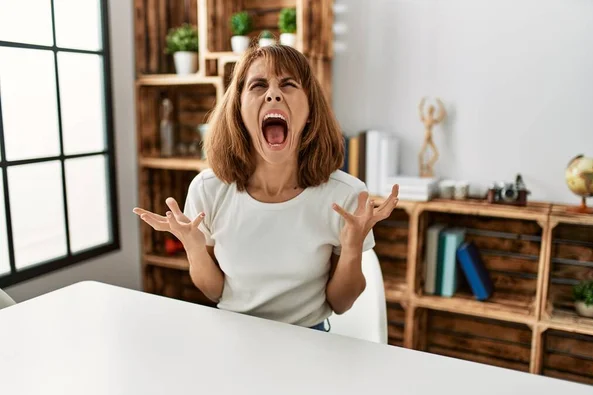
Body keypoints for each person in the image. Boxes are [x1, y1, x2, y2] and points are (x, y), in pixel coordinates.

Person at [133, 44, 399, 331]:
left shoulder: (345, 195)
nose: (273, 94)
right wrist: (194, 247)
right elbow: (214, 292)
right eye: (258, 85)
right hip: (235, 334)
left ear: (310, 109)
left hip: (308, 338)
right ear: (239, 110)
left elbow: (341, 303)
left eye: (288, 84)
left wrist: (351, 248)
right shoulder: (207, 189)